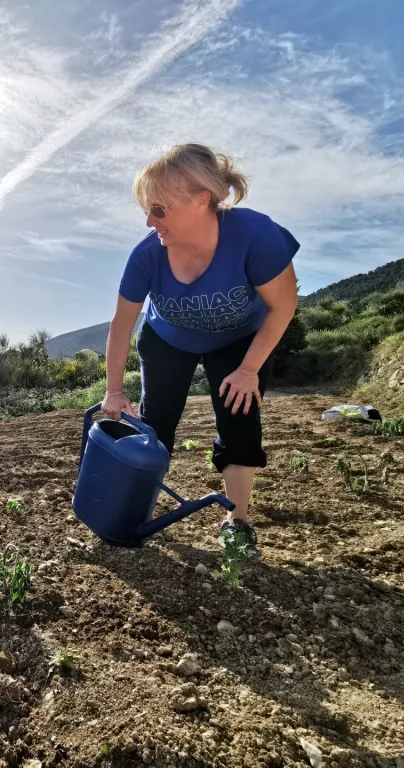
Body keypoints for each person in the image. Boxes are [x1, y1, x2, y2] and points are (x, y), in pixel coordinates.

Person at [102, 144, 299, 555]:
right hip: (168, 340)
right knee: (155, 424)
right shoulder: (146, 257)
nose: (149, 221)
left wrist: (248, 370)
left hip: (239, 339)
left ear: (200, 201)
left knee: (239, 416)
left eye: (159, 209)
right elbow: (121, 326)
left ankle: (237, 521)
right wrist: (114, 391)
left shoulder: (255, 236)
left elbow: (283, 306)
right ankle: (134, 510)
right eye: (147, 210)